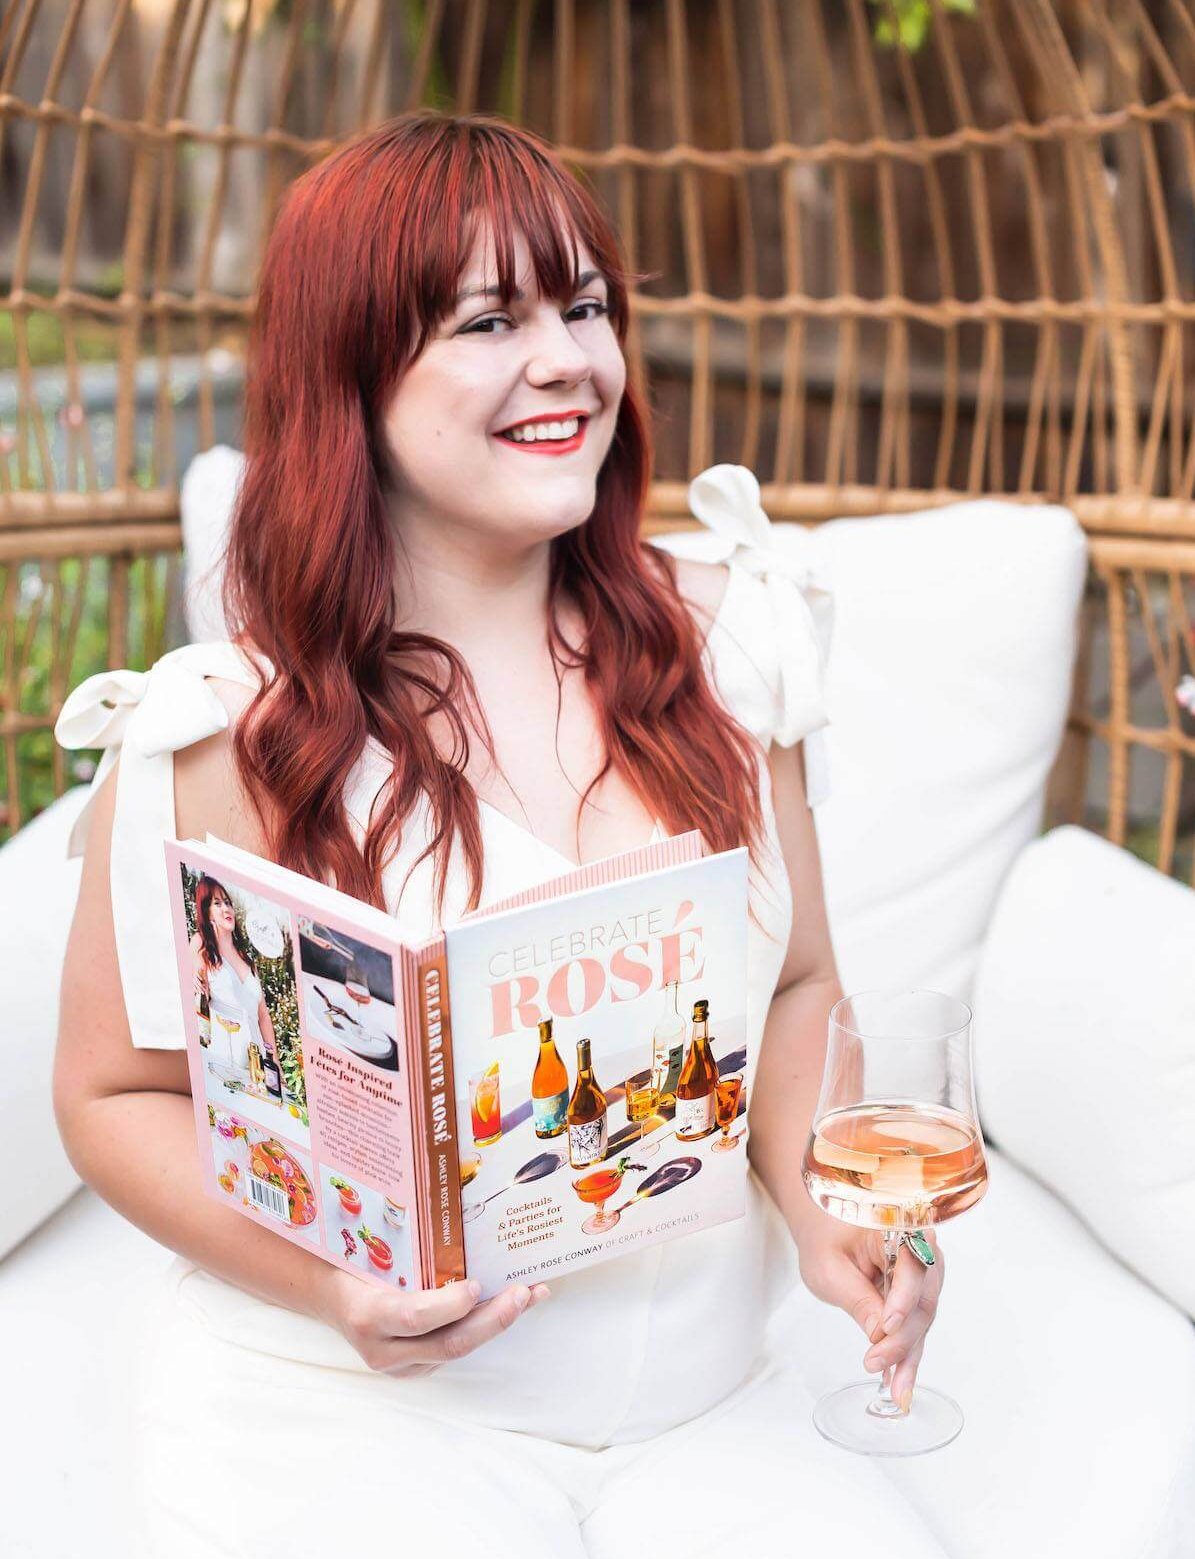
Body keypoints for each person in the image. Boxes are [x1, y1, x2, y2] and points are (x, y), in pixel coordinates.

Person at [53, 109, 948, 1556]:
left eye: (583, 305)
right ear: (351, 373)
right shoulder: (220, 738)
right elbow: (109, 1094)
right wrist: (332, 1282)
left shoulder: (729, 643)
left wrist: (821, 1206)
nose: (566, 362)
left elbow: (795, 991)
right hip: (362, 1422)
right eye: (487, 318)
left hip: (711, 1406)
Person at [190, 874, 276, 1071]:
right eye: (217, 903)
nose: (226, 909)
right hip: (225, 1055)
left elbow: (263, 1015)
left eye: (228, 903)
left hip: (257, 1060)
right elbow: (189, 990)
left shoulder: (248, 960)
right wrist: (191, 980)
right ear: (207, 912)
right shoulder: (202, 950)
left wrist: (274, 1062)